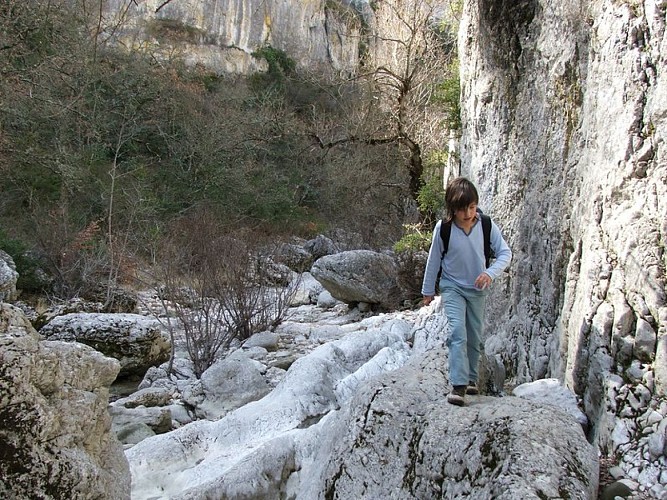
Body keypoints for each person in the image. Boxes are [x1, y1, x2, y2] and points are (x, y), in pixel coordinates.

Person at [421, 177, 512, 406]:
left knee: (474, 335)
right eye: (463, 209)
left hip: (477, 289)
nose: (468, 214)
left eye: (472, 207)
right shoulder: (444, 229)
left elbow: (505, 253)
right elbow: (434, 260)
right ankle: (458, 385)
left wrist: (489, 273)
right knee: (457, 332)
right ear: (453, 209)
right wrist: (428, 290)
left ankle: (472, 378)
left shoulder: (486, 225)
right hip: (452, 287)